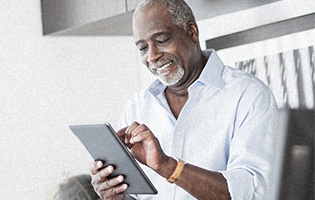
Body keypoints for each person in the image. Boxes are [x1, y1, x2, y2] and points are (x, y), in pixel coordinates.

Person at [90, 0, 278, 199]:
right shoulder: (137, 106)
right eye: (143, 48)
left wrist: (168, 167)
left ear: (192, 31)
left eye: (161, 40)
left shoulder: (248, 95)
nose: (152, 56)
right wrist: (116, 194)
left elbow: (253, 191)